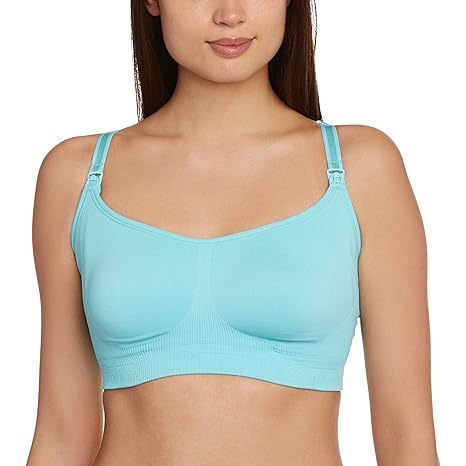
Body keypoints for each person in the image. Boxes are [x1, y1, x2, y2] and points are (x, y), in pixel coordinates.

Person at [27, 1, 440, 465]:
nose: (230, 14)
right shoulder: (76, 177)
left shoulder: (362, 169)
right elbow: (61, 433)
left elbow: (405, 435)